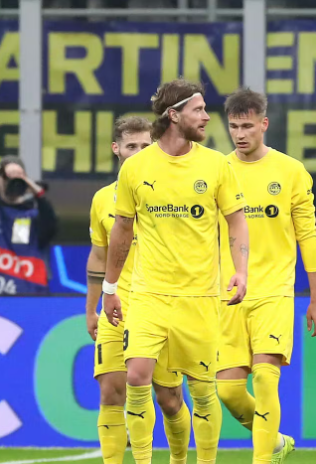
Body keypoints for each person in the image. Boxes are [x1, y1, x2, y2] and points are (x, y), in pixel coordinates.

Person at [102, 79, 250, 464]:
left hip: (199, 297)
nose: (206, 116)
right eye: (198, 109)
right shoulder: (136, 168)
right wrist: (110, 288)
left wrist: (241, 270)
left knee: (200, 390)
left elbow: (236, 220)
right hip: (148, 294)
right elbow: (121, 230)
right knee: (137, 376)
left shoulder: (216, 165)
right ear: (174, 115)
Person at [215, 88, 316, 464]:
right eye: (234, 127)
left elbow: (307, 236)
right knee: (229, 391)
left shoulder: (291, 171)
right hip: (228, 293)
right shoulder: (218, 170)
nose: (240, 134)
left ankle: (262, 459)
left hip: (274, 291)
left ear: (263, 124)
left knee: (265, 378)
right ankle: (276, 442)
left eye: (247, 126)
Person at [85, 116, 191, 464]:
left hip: (162, 304)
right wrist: (91, 308)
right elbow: (99, 255)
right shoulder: (103, 199)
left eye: (146, 145)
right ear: (116, 149)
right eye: (132, 146)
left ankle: (178, 460)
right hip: (118, 305)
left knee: (169, 399)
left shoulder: (172, 193)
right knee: (111, 392)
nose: (139, 152)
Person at [0, 156, 58, 295]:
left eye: (19, 176)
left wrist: (38, 194)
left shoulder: (35, 215)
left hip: (31, 297)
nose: (13, 182)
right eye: (8, 177)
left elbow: (51, 226)